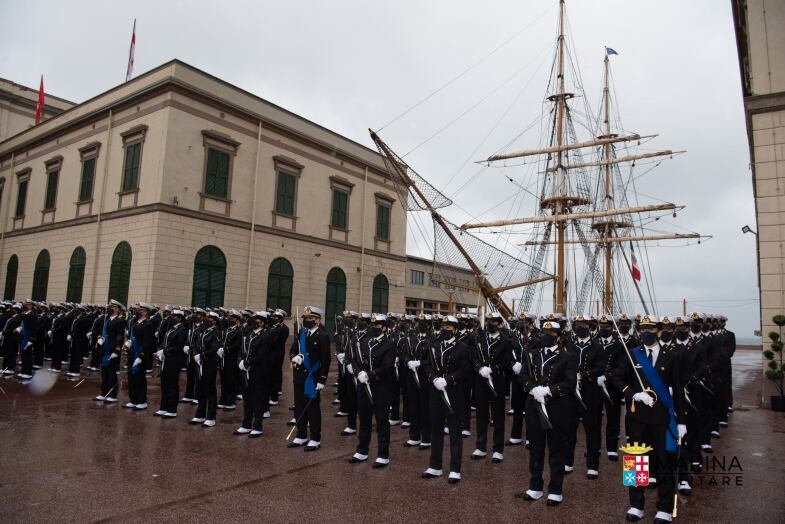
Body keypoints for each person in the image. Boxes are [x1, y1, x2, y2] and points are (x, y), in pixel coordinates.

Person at [611, 315, 687, 524]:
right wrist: (633, 394)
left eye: (650, 329)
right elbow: (615, 376)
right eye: (642, 328)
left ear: (659, 331)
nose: (646, 332)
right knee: (636, 461)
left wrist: (682, 422)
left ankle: (664, 508)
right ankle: (636, 505)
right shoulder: (633, 354)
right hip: (637, 417)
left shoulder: (671, 356)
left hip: (662, 418)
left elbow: (679, 390)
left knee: (664, 461)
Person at [516, 320, 577, 507]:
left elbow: (569, 383)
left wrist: (549, 390)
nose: (546, 336)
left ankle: (556, 489)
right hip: (534, 406)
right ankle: (535, 486)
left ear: (558, 337)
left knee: (556, 449)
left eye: (550, 333)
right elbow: (523, 375)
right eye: (544, 332)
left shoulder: (567, 357)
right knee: (535, 447)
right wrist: (532, 389)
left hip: (556, 408)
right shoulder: (532, 354)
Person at [421, 315, 471, 484]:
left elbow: (465, 370)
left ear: (456, 330)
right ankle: (435, 465)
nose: (445, 330)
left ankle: (455, 469)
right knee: (436, 428)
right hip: (435, 391)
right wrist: (434, 378)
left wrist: (448, 380)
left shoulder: (463, 348)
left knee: (455, 431)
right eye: (444, 327)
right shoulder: (434, 345)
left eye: (449, 328)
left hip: (453, 392)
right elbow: (426, 364)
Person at [348, 313, 396, 468]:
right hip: (363, 385)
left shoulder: (389, 344)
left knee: (382, 421)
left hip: (380, 387)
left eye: (377, 326)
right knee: (364, 419)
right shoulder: (364, 342)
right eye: (372, 325)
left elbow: (387, 366)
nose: (374, 328)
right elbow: (355, 360)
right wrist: (357, 372)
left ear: (384, 327)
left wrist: (370, 374)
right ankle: (362, 450)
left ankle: (383, 454)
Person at [564, 314, 605, 479]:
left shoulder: (597, 346)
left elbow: (601, 367)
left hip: (590, 393)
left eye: (583, 324)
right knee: (568, 429)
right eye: (577, 324)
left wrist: (584, 375)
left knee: (592, 429)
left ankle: (593, 465)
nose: (580, 327)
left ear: (590, 326)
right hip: (572, 394)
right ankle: (568, 461)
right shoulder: (568, 345)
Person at [287, 306, 331, 451]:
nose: (306, 320)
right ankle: (301, 435)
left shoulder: (323, 336)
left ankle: (315, 438)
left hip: (313, 377)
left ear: (317, 320)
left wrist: (322, 380)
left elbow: (326, 360)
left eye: (310, 318)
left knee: (312, 408)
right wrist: (295, 357)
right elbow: (293, 350)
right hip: (299, 375)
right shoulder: (302, 333)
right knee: (299, 406)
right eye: (305, 318)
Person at [471, 312, 513, 463]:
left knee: (498, 416)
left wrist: (493, 369)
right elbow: (474, 357)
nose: (489, 324)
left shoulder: (506, 341)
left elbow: (507, 362)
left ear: (499, 324)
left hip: (497, 380)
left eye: (493, 321)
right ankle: (480, 447)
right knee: (481, 414)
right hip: (481, 379)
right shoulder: (479, 339)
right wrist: (479, 368)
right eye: (488, 321)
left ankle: (497, 449)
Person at [403, 313, 432, 449]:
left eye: (423, 323)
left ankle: (426, 437)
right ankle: (414, 436)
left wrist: (420, 362)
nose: (420, 325)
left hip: (425, 377)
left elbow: (434, 359)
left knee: (425, 407)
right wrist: (408, 361)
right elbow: (404, 353)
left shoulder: (433, 339)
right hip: (411, 376)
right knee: (413, 405)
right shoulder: (410, 338)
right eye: (419, 322)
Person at [191, 311, 223, 427]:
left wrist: (202, 355)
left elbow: (214, 348)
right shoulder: (203, 331)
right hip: (200, 363)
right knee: (200, 389)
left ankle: (211, 416)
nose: (207, 320)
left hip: (209, 363)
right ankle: (200, 414)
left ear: (215, 321)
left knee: (210, 389)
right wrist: (195, 354)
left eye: (211, 318)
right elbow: (195, 344)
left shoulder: (217, 332)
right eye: (207, 318)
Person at [155, 309, 187, 418]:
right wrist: (161, 350)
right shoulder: (171, 328)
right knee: (164, 383)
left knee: (172, 384)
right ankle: (163, 407)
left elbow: (178, 346)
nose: (171, 318)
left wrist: (165, 351)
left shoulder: (182, 329)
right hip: (166, 359)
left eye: (174, 316)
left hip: (174, 360)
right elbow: (164, 341)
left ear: (179, 318)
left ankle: (172, 409)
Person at [95, 300, 127, 403]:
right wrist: (99, 338)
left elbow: (120, 337)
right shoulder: (107, 319)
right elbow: (102, 332)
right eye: (110, 307)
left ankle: (112, 395)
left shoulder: (120, 321)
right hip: (105, 348)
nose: (110, 309)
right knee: (104, 372)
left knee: (112, 373)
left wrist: (117, 351)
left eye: (112, 307)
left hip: (112, 350)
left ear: (118, 309)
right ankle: (104, 393)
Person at [125, 303, 155, 410]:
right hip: (132, 353)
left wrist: (141, 356)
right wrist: (128, 342)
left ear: (146, 312)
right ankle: (133, 399)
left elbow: (147, 342)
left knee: (139, 378)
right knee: (131, 377)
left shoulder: (148, 324)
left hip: (140, 355)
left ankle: (142, 401)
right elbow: (133, 337)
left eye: (140, 310)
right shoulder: (136, 323)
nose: (138, 312)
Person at [218, 310, 242, 411]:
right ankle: (223, 399)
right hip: (224, 358)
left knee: (231, 380)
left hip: (232, 358)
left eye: (232, 317)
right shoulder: (227, 330)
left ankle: (231, 401)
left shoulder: (238, 331)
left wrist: (226, 349)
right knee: (223, 380)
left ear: (236, 319)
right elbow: (222, 341)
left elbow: (237, 345)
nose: (229, 319)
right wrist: (220, 347)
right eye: (229, 317)